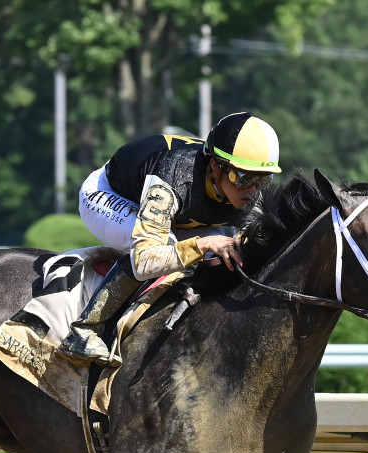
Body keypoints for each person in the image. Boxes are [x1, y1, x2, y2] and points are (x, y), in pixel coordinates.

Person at [57, 111, 282, 364]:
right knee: (166, 248)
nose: (251, 190)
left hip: (175, 210)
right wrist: (203, 243)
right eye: (243, 177)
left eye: (262, 180)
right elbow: (145, 262)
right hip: (109, 195)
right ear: (215, 167)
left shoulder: (247, 193)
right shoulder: (170, 180)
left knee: (225, 250)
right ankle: (84, 330)